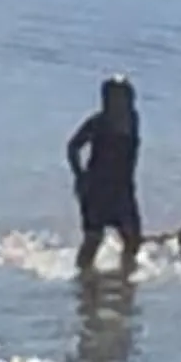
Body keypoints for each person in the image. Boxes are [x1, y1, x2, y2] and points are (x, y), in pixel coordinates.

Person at [66, 75, 144, 274]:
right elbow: (73, 147)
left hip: (123, 189)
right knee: (93, 239)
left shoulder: (133, 120)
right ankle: (82, 280)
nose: (118, 102)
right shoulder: (98, 123)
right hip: (96, 188)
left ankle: (124, 278)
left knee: (133, 239)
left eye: (122, 97)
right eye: (112, 97)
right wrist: (79, 175)